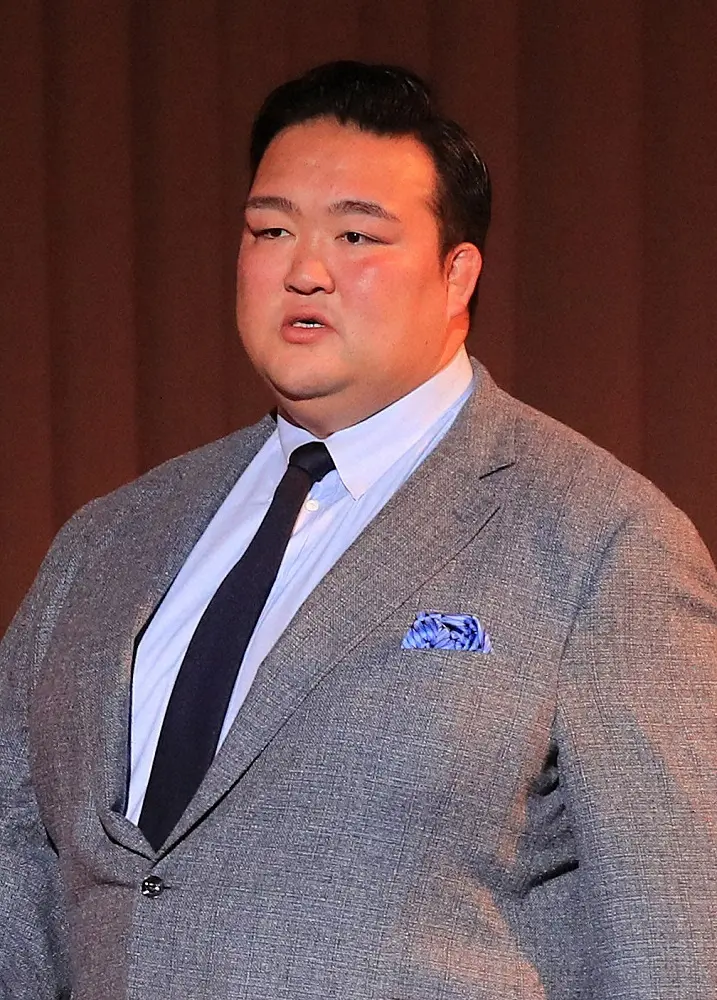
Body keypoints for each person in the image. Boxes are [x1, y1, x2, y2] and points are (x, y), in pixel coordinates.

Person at [1, 60, 715, 1000]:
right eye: (271, 230)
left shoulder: (599, 540)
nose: (304, 270)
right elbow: (19, 869)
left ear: (456, 275)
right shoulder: (109, 539)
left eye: (355, 235)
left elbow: (674, 940)